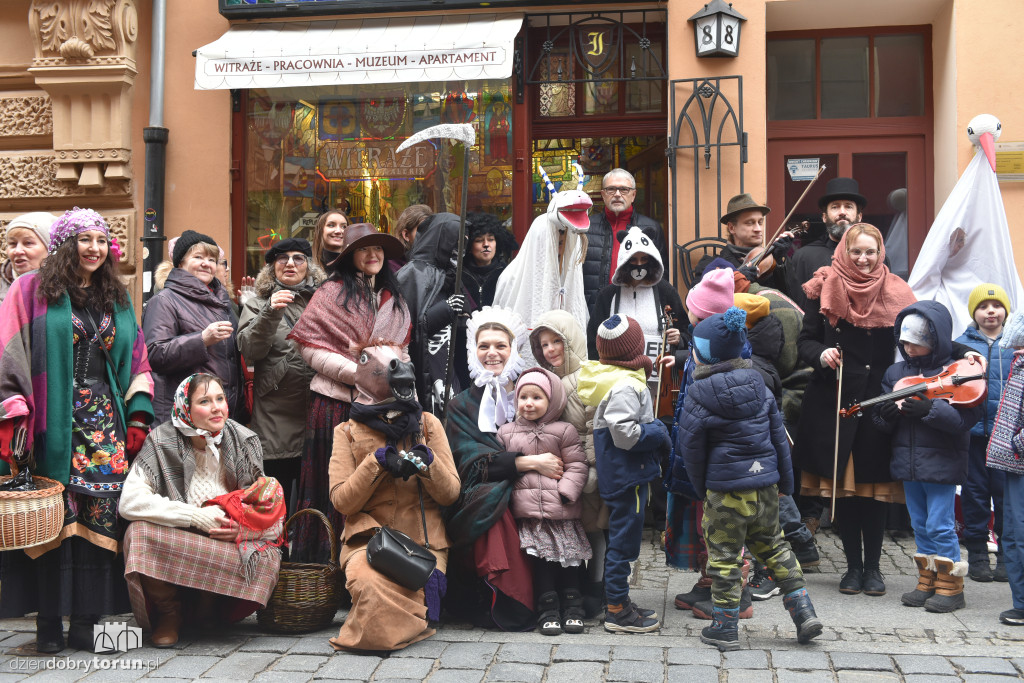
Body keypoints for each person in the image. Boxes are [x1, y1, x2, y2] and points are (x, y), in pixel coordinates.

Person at [0, 207, 154, 653]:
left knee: (100, 520)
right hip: (51, 422)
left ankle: (87, 623)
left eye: (102, 241)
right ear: (67, 244)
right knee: (53, 522)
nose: (94, 248)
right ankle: (48, 625)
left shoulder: (117, 296)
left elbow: (138, 359)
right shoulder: (30, 289)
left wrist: (138, 415)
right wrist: (13, 414)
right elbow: (9, 351)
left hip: (104, 427)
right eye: (85, 239)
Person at [676, 307, 822, 651]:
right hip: (765, 487)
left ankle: (725, 627)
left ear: (705, 354)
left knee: (724, 556)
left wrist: (701, 488)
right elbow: (778, 437)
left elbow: (691, 448)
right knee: (775, 546)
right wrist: (785, 484)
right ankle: (804, 612)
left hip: (724, 491)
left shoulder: (700, 391)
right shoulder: (759, 382)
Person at [793, 223, 917, 598]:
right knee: (844, 492)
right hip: (834, 403)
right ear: (845, 252)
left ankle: (875, 570)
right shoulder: (823, 286)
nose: (864, 259)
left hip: (878, 404)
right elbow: (805, 341)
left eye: (871, 252)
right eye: (857, 252)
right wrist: (822, 354)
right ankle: (851, 568)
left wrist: (962, 354)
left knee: (872, 490)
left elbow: (927, 337)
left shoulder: (898, 291)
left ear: (882, 253)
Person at [120, 373, 284, 647]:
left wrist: (243, 531)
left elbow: (271, 514)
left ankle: (209, 608)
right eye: (205, 401)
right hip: (178, 539)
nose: (217, 407)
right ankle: (170, 613)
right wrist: (195, 516)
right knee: (138, 534)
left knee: (266, 553)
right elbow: (129, 502)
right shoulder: (161, 441)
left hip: (223, 543)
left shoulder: (243, 440)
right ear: (185, 408)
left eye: (220, 398)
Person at [287, 223, 411, 563]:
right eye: (363, 249)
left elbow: (401, 351)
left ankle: (371, 565)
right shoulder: (331, 292)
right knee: (337, 486)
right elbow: (311, 351)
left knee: (375, 486)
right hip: (335, 403)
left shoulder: (394, 300)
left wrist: (398, 373)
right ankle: (325, 566)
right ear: (349, 256)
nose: (373, 255)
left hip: (382, 408)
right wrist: (359, 375)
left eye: (378, 250)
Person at [327, 343, 459, 651]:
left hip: (423, 548)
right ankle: (400, 622)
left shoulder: (428, 424)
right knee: (371, 590)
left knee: (404, 594)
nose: (402, 390)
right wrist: (377, 462)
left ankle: (401, 619)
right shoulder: (345, 431)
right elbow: (342, 502)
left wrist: (428, 464)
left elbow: (451, 493)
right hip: (369, 543)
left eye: (405, 384)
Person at [873, 303, 982, 613]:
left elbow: (964, 422)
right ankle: (929, 579)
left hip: (942, 462)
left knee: (941, 525)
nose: (909, 349)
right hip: (908, 463)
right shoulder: (896, 372)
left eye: (916, 342)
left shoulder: (957, 372)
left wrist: (930, 410)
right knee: (920, 525)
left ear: (935, 339)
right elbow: (882, 426)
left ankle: (952, 587)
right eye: (904, 342)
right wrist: (886, 416)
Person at [443, 306, 537, 631]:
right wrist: (522, 464)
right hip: (480, 490)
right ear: (473, 350)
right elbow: (470, 465)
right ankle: (507, 598)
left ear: (513, 350)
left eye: (500, 345)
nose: (492, 353)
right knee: (491, 497)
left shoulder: (532, 395)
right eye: (484, 346)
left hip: (535, 485)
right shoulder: (460, 405)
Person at [579, 315, 670, 633]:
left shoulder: (617, 379)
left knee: (625, 542)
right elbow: (625, 434)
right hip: (627, 477)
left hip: (627, 475)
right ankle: (616, 610)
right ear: (635, 347)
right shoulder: (626, 386)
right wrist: (657, 431)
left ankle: (621, 601)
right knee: (623, 544)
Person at [499, 367, 591, 635]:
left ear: (552, 401)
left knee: (569, 561)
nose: (528, 403)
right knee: (541, 562)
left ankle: (574, 607)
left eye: (537, 397)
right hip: (529, 515)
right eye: (523, 397)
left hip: (562, 512)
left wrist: (566, 492)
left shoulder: (564, 430)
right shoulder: (506, 432)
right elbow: (505, 468)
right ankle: (547, 609)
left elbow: (577, 465)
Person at [236, 238, 326, 510]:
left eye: (298, 258)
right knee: (278, 498)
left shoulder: (322, 300)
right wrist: (270, 311)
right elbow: (250, 349)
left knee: (314, 500)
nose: (290, 263)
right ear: (272, 266)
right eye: (282, 258)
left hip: (317, 411)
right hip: (276, 418)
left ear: (308, 266)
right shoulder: (258, 302)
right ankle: (279, 551)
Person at [529, 311, 605, 617]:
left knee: (597, 531)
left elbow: (593, 424)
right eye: (544, 344)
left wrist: (594, 467)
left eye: (556, 341)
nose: (550, 350)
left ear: (570, 341)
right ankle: (575, 585)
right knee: (575, 530)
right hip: (561, 473)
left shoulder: (588, 376)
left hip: (586, 471)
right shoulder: (548, 380)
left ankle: (597, 588)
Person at [143, 230, 243, 424]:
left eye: (212, 259)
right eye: (198, 257)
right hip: (184, 415)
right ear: (181, 262)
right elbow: (155, 354)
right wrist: (202, 340)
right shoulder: (164, 300)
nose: (206, 263)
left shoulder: (223, 302)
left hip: (220, 415)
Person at [956, 283, 1013, 583]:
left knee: (1006, 496)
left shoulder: (1015, 344)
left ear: (1006, 310)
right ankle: (977, 551)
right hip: (974, 435)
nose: (990, 311)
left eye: (996, 306)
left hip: (1006, 436)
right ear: (974, 313)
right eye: (982, 307)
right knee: (975, 494)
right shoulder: (962, 345)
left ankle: (1007, 553)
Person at [395, 213, 468, 417]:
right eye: (455, 242)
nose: (460, 250)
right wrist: (446, 309)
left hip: (450, 366)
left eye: (464, 244)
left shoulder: (453, 276)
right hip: (425, 366)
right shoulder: (412, 274)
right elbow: (405, 329)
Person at [985, 311, 1024, 626]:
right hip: (1012, 463)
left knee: (1020, 533)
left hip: (1018, 458)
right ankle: (1020, 602)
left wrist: (1018, 444)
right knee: (1010, 533)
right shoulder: (1018, 365)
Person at [582, 168, 666, 309]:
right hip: (594, 306)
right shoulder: (586, 228)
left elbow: (661, 273)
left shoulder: (651, 228)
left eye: (624, 190)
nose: (617, 194)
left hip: (637, 305)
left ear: (633, 195)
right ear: (603, 195)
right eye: (611, 189)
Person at [786, 177, 866, 312]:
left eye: (848, 206)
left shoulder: (874, 255)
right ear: (824, 217)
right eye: (835, 207)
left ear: (859, 217)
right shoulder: (803, 257)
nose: (842, 212)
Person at [694, 194, 793, 291]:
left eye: (760, 222)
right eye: (750, 223)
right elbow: (695, 299)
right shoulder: (710, 265)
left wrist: (779, 262)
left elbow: (793, 297)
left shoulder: (771, 261)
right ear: (732, 228)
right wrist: (735, 278)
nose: (758, 229)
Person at [1, 211, 56, 304]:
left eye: (28, 243)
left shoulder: (75, 288)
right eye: (12, 244)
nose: (17, 251)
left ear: (50, 248)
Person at [389, 204, 433, 273]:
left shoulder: (434, 259)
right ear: (406, 235)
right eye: (422, 230)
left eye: (431, 230)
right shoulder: (392, 266)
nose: (428, 236)